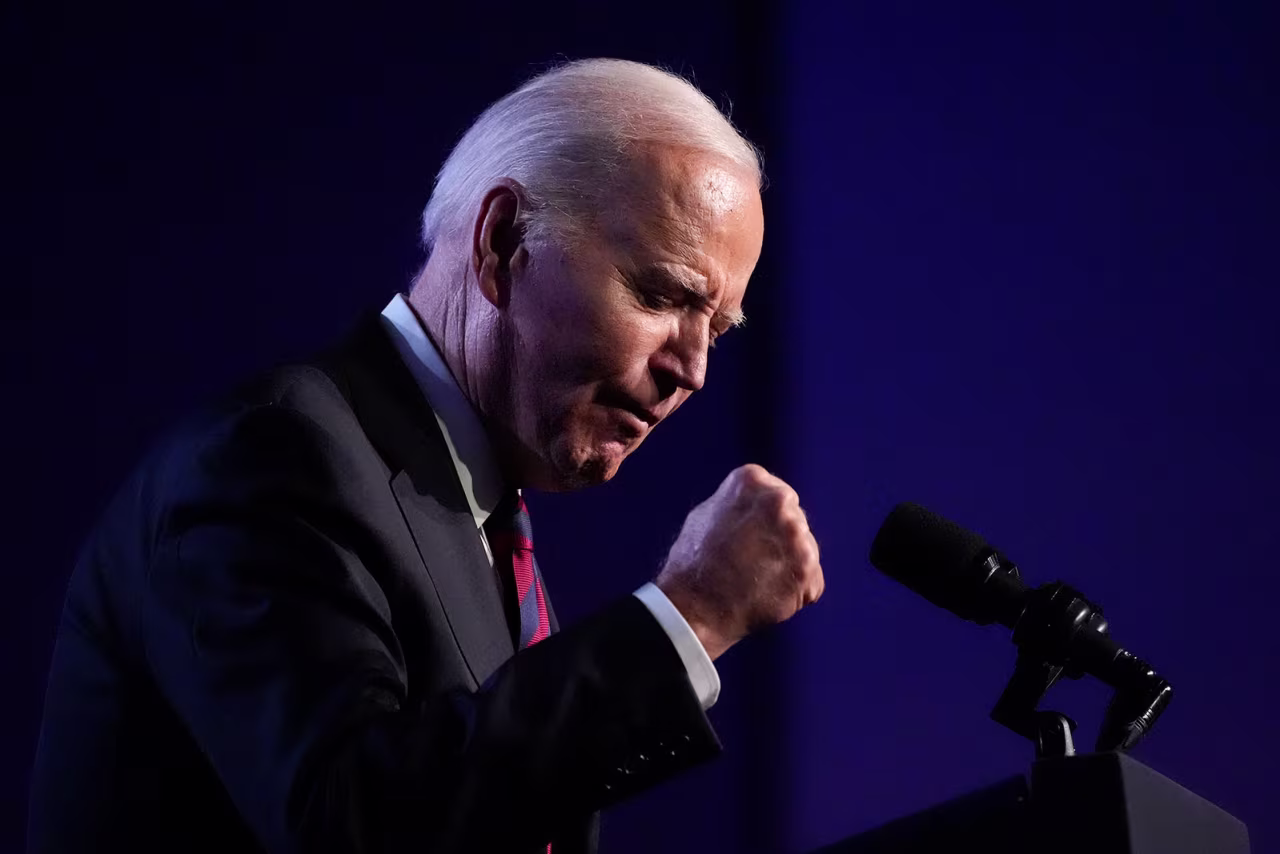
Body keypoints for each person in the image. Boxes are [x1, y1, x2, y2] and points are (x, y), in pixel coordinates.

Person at [28, 58, 824, 854]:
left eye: (714, 330)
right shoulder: (271, 457)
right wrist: (690, 616)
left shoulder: (476, 507)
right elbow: (354, 823)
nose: (692, 370)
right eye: (661, 296)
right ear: (503, 240)